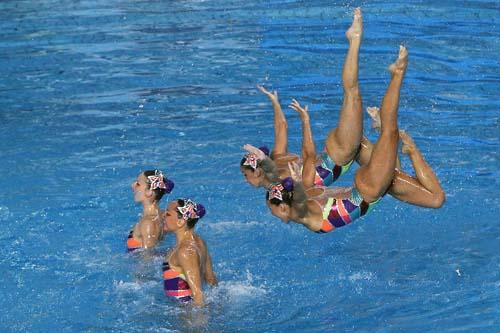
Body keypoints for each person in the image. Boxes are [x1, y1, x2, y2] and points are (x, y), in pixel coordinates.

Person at [242, 8, 444, 209]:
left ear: (258, 171)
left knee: (354, 96)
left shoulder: (275, 181)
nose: (245, 179)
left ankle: (358, 44)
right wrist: (275, 103)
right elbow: (281, 126)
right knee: (428, 194)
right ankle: (388, 130)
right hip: (347, 157)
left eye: (246, 174)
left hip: (341, 155)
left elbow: (279, 166)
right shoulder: (278, 157)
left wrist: (302, 123)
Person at [266, 46, 410, 233]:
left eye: (273, 210)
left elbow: (299, 201)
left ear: (283, 207)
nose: (273, 215)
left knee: (389, 131)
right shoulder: (305, 200)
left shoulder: (301, 212)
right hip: (363, 189)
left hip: (368, 192)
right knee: (356, 99)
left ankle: (397, 74)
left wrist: (297, 184)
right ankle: (359, 45)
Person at [162, 198, 217, 306]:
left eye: (167, 214)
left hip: (184, 313)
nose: (163, 215)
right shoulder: (199, 242)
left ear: (181, 221)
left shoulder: (185, 251)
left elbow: (198, 294)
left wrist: (199, 320)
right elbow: (211, 279)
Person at [127, 170, 174, 251]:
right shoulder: (163, 216)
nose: (132, 185)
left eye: (138, 184)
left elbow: (147, 259)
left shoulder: (148, 223)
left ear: (149, 192)